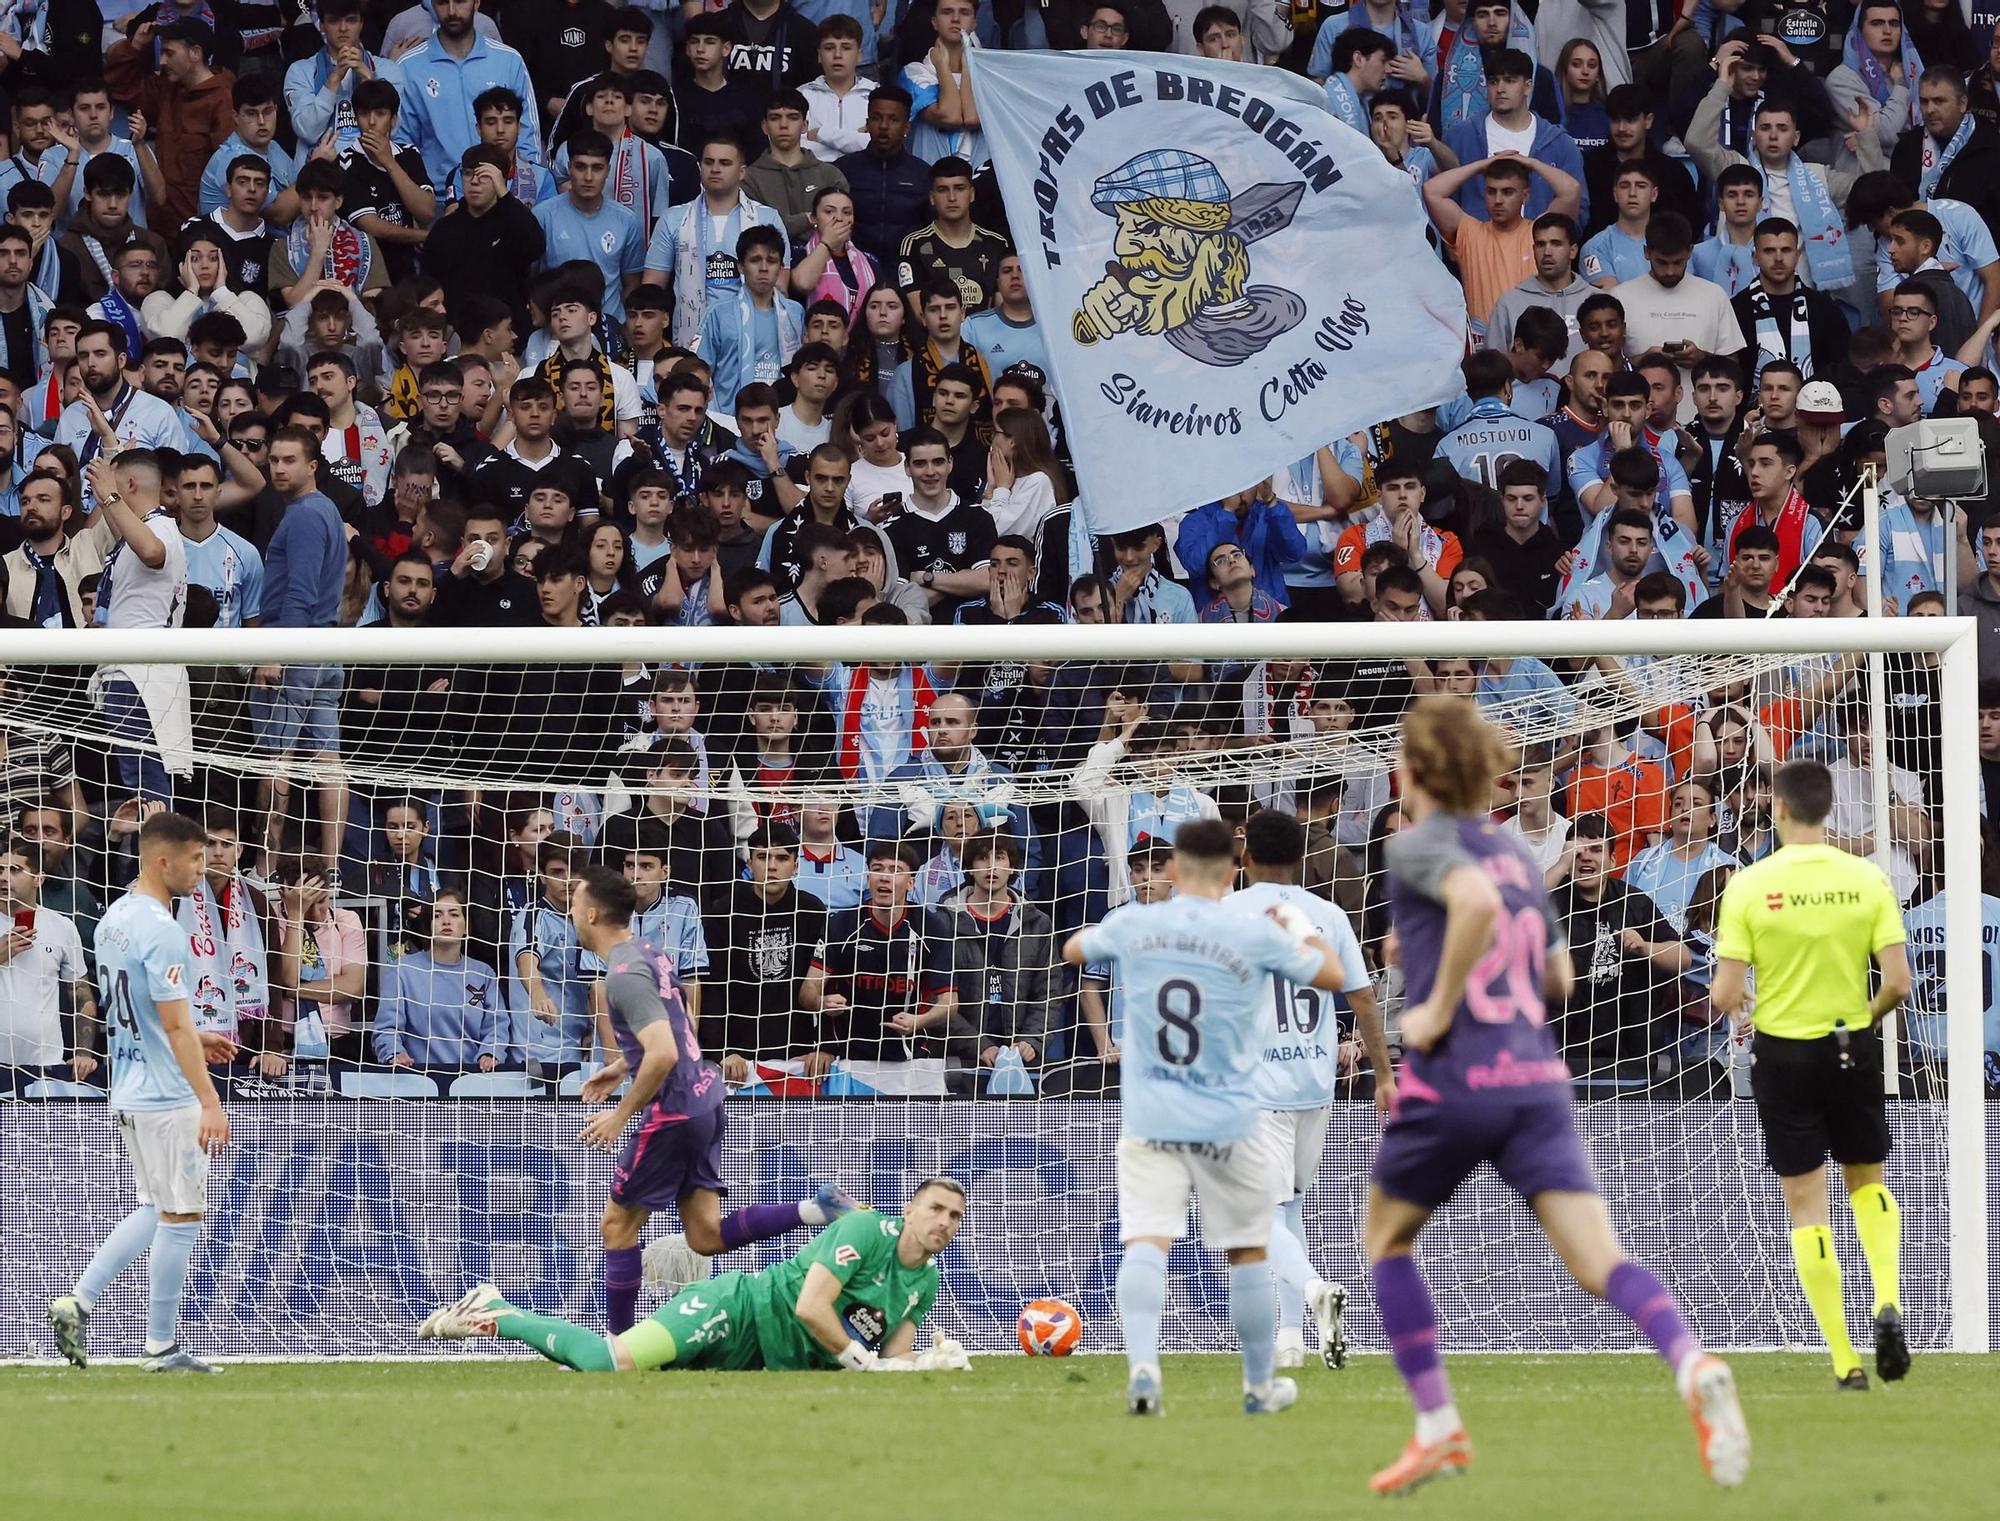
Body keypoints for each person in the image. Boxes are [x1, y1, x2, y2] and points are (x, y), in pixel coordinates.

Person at [1362, 696, 1746, 1495]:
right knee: (1599, 1259)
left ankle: (1438, 1424)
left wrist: (1435, 1000)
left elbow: (1467, 908)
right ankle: (1690, 1358)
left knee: (1387, 1240)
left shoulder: (1416, 847)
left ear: (1422, 767)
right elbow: (1558, 977)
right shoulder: (1514, 856)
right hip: (1536, 1077)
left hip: (1456, 1075)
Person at [1061, 816, 1357, 1419]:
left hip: (1153, 1116)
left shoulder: (1139, 922)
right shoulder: (1250, 929)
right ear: (1231, 869)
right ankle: (1257, 1385)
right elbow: (1331, 976)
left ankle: (1143, 1369)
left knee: (1146, 1241)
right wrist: (1297, 924)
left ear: (1171, 870)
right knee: (1249, 1248)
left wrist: (1119, 931)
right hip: (1230, 1115)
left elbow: (1073, 950)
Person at [562, 865, 857, 1332]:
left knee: (616, 1227)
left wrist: (620, 1114)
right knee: (704, 1236)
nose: (571, 910)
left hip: (672, 1112)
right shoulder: (649, 953)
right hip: (705, 1100)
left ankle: (619, 1347)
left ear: (593, 914)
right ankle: (819, 1208)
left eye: (575, 902)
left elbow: (662, 1051)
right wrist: (621, 1065)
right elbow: (678, 1028)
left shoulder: (622, 975)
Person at [1710, 759, 1913, 1391]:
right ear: (1827, 810)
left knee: (1806, 1202)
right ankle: (1888, 1300)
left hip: (1784, 1053)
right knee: (1867, 1181)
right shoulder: (1867, 878)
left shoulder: (1748, 885)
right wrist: (1862, 1017)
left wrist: (1748, 1005)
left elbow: (1723, 995)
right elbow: (1899, 983)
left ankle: (1845, 1360)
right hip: (1850, 1045)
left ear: (1779, 808)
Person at [417, 1177, 970, 1375]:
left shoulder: (926, 1282)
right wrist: (861, 1361)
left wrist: (923, 1364)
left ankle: (505, 1318)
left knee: (614, 1366)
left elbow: (892, 1359)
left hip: (758, 1360)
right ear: (913, 1209)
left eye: (955, 1217)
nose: (944, 1222)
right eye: (936, 1209)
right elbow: (810, 1308)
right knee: (611, 1362)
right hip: (734, 1310)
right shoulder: (868, 1231)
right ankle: (501, 1311)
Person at [47, 810, 236, 1373]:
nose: (203, 870)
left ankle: (78, 1300)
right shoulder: (163, 928)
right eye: (196, 859)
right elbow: (173, 1026)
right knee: (183, 1214)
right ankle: (161, 1346)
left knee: (155, 1207)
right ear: (164, 860)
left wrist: (193, 1033)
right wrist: (208, 1100)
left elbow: (137, 1010)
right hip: (167, 1094)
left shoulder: (114, 920)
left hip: (127, 1087)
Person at [1231, 808, 1392, 1371]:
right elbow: (1364, 998)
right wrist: (1386, 1075)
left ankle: (1313, 1290)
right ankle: (1291, 1335)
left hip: (1252, 1088)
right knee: (1287, 1206)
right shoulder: (1327, 915)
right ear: (1300, 858)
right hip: (1314, 1084)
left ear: (1244, 853)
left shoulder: (1225, 913)